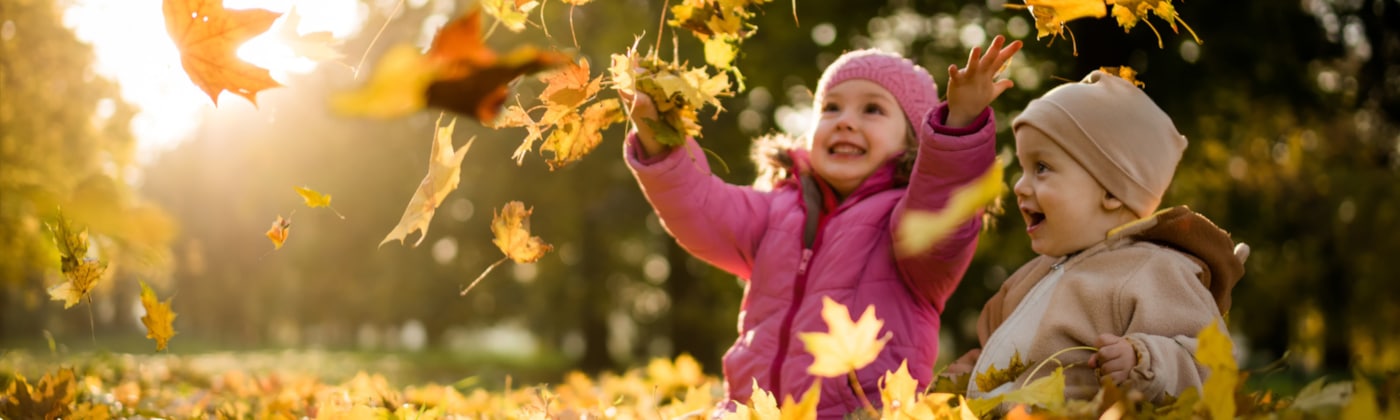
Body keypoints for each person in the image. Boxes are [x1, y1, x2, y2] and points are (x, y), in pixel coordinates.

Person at [620, 36, 1022, 417]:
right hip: (754, 412)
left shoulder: (906, 223)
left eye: (872, 109)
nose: (845, 121)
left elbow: (942, 201)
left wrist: (959, 124)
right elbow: (701, 206)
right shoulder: (775, 209)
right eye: (831, 108)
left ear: (913, 142)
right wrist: (659, 135)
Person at [946, 70, 1250, 404]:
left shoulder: (1154, 272)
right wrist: (963, 377)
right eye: (1022, 168)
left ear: (1111, 192)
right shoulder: (1027, 279)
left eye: (1042, 167)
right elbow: (999, 358)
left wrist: (1144, 361)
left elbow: (1211, 364)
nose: (1019, 186)